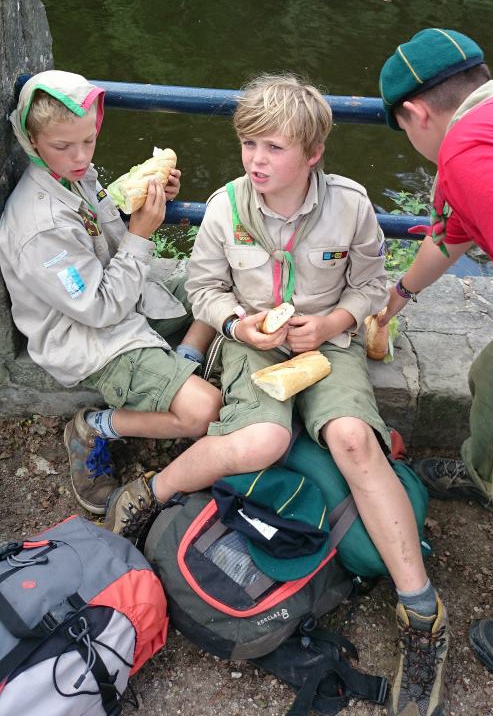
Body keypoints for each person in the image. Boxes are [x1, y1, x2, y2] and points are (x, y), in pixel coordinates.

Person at [105, 74, 449, 716]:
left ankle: (423, 614)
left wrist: (332, 324)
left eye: (273, 148)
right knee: (262, 440)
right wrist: (238, 325)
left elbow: (373, 286)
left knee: (352, 439)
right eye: (248, 146)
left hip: (329, 345)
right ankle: (146, 497)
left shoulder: (349, 205)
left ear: (312, 153)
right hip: (247, 343)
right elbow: (203, 288)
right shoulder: (226, 207)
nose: (257, 161)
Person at [378, 28, 493, 690]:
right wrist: (394, 300)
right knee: (490, 377)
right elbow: (451, 235)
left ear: (416, 114)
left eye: (403, 131)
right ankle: (481, 473)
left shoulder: (470, 149)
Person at [0, 70, 222, 516]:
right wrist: (141, 235)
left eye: (89, 140)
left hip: (127, 298)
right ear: (31, 139)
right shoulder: (39, 228)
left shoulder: (70, 174)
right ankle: (93, 428)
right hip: (90, 336)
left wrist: (134, 201)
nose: (80, 156)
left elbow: (98, 223)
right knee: (205, 410)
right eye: (63, 146)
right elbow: (97, 309)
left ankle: (182, 363)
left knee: (219, 281)